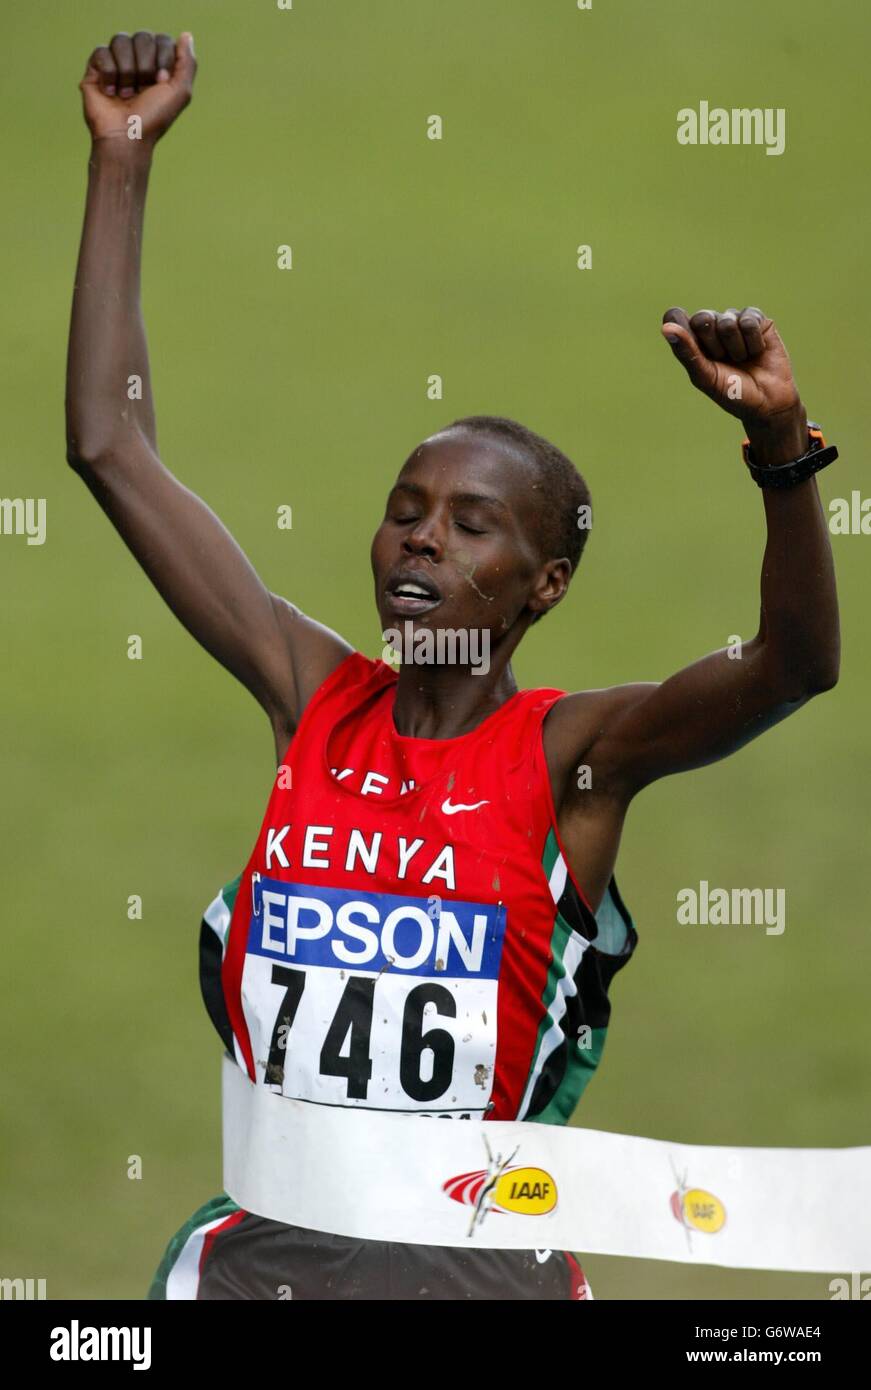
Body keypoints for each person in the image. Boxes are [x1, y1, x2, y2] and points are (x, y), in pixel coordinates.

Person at [66, 32, 840, 1301]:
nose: (423, 532)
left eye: (471, 522)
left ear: (545, 584)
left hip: (482, 1281)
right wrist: (121, 156)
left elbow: (792, 666)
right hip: (258, 1270)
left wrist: (779, 453)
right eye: (406, 505)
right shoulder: (310, 693)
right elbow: (109, 443)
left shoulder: (572, 760)